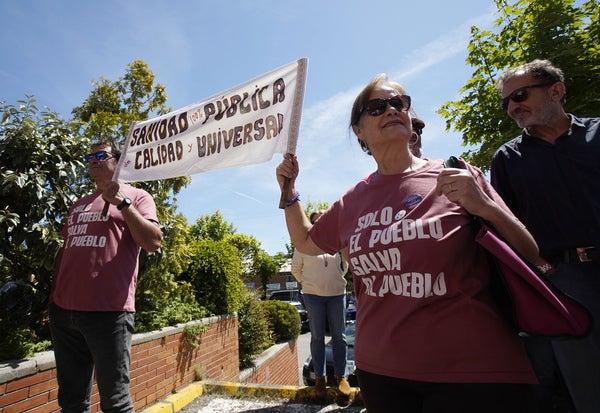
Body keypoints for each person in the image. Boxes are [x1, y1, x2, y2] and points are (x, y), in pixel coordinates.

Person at [276, 73, 553, 413]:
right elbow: (305, 240)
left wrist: (483, 205)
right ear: (359, 132)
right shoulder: (352, 201)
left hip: (473, 372)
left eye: (399, 103)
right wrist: (289, 192)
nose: (392, 109)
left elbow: (529, 251)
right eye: (377, 107)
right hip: (383, 374)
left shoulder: (457, 175)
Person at [491, 59, 600, 413]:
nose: (512, 107)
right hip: (565, 284)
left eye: (520, 95)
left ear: (557, 90)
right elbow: (503, 228)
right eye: (506, 102)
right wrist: (541, 268)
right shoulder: (507, 159)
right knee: (589, 393)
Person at [49, 141, 162, 413]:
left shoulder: (137, 196)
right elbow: (68, 252)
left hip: (109, 314)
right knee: (72, 402)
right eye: (90, 157)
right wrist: (54, 298)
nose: (93, 160)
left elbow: (153, 241)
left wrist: (122, 204)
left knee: (115, 402)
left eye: (101, 155)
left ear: (118, 160)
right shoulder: (79, 204)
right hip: (64, 314)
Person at [291, 210, 350, 399]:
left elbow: (345, 265)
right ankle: (320, 379)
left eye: (324, 219)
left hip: (337, 294)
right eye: (316, 220)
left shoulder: (336, 240)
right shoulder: (304, 244)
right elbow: (295, 269)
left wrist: (337, 278)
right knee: (317, 337)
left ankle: (342, 377)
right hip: (313, 296)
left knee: (339, 337)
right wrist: (308, 284)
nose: (320, 222)